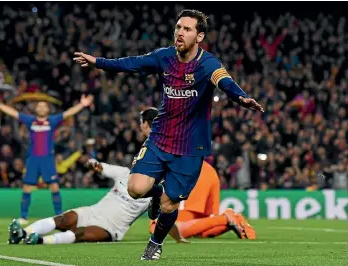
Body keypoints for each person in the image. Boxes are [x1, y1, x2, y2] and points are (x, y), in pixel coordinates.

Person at [73, 9, 264, 260]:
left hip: (190, 148)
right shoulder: (164, 57)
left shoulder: (208, 64)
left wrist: (240, 97)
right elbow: (130, 63)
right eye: (178, 28)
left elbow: (224, 81)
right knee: (135, 188)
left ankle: (154, 243)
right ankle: (156, 192)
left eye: (187, 29)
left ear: (199, 36)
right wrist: (98, 62)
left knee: (169, 205)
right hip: (160, 138)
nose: (180, 33)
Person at [6, 107, 158, 245]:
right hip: (92, 212)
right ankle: (22, 233)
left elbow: (161, 209)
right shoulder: (124, 173)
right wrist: (90, 161)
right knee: (63, 219)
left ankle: (40, 240)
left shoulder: (153, 189)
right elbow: (99, 166)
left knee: (80, 233)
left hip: (111, 228)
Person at [0, 92, 94, 224]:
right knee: (26, 187)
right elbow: (13, 113)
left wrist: (82, 105)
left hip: (47, 159)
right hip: (33, 159)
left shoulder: (52, 121)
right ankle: (23, 217)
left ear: (48, 109)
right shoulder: (30, 121)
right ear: (35, 109)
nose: (41, 108)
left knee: (54, 187)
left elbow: (68, 113)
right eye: (39, 106)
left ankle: (59, 216)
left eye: (44, 106)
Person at [150, 161, 257, 241]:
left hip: (188, 169)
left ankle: (225, 219)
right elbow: (211, 214)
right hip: (205, 169)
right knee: (200, 229)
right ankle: (229, 220)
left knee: (166, 228)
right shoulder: (210, 170)